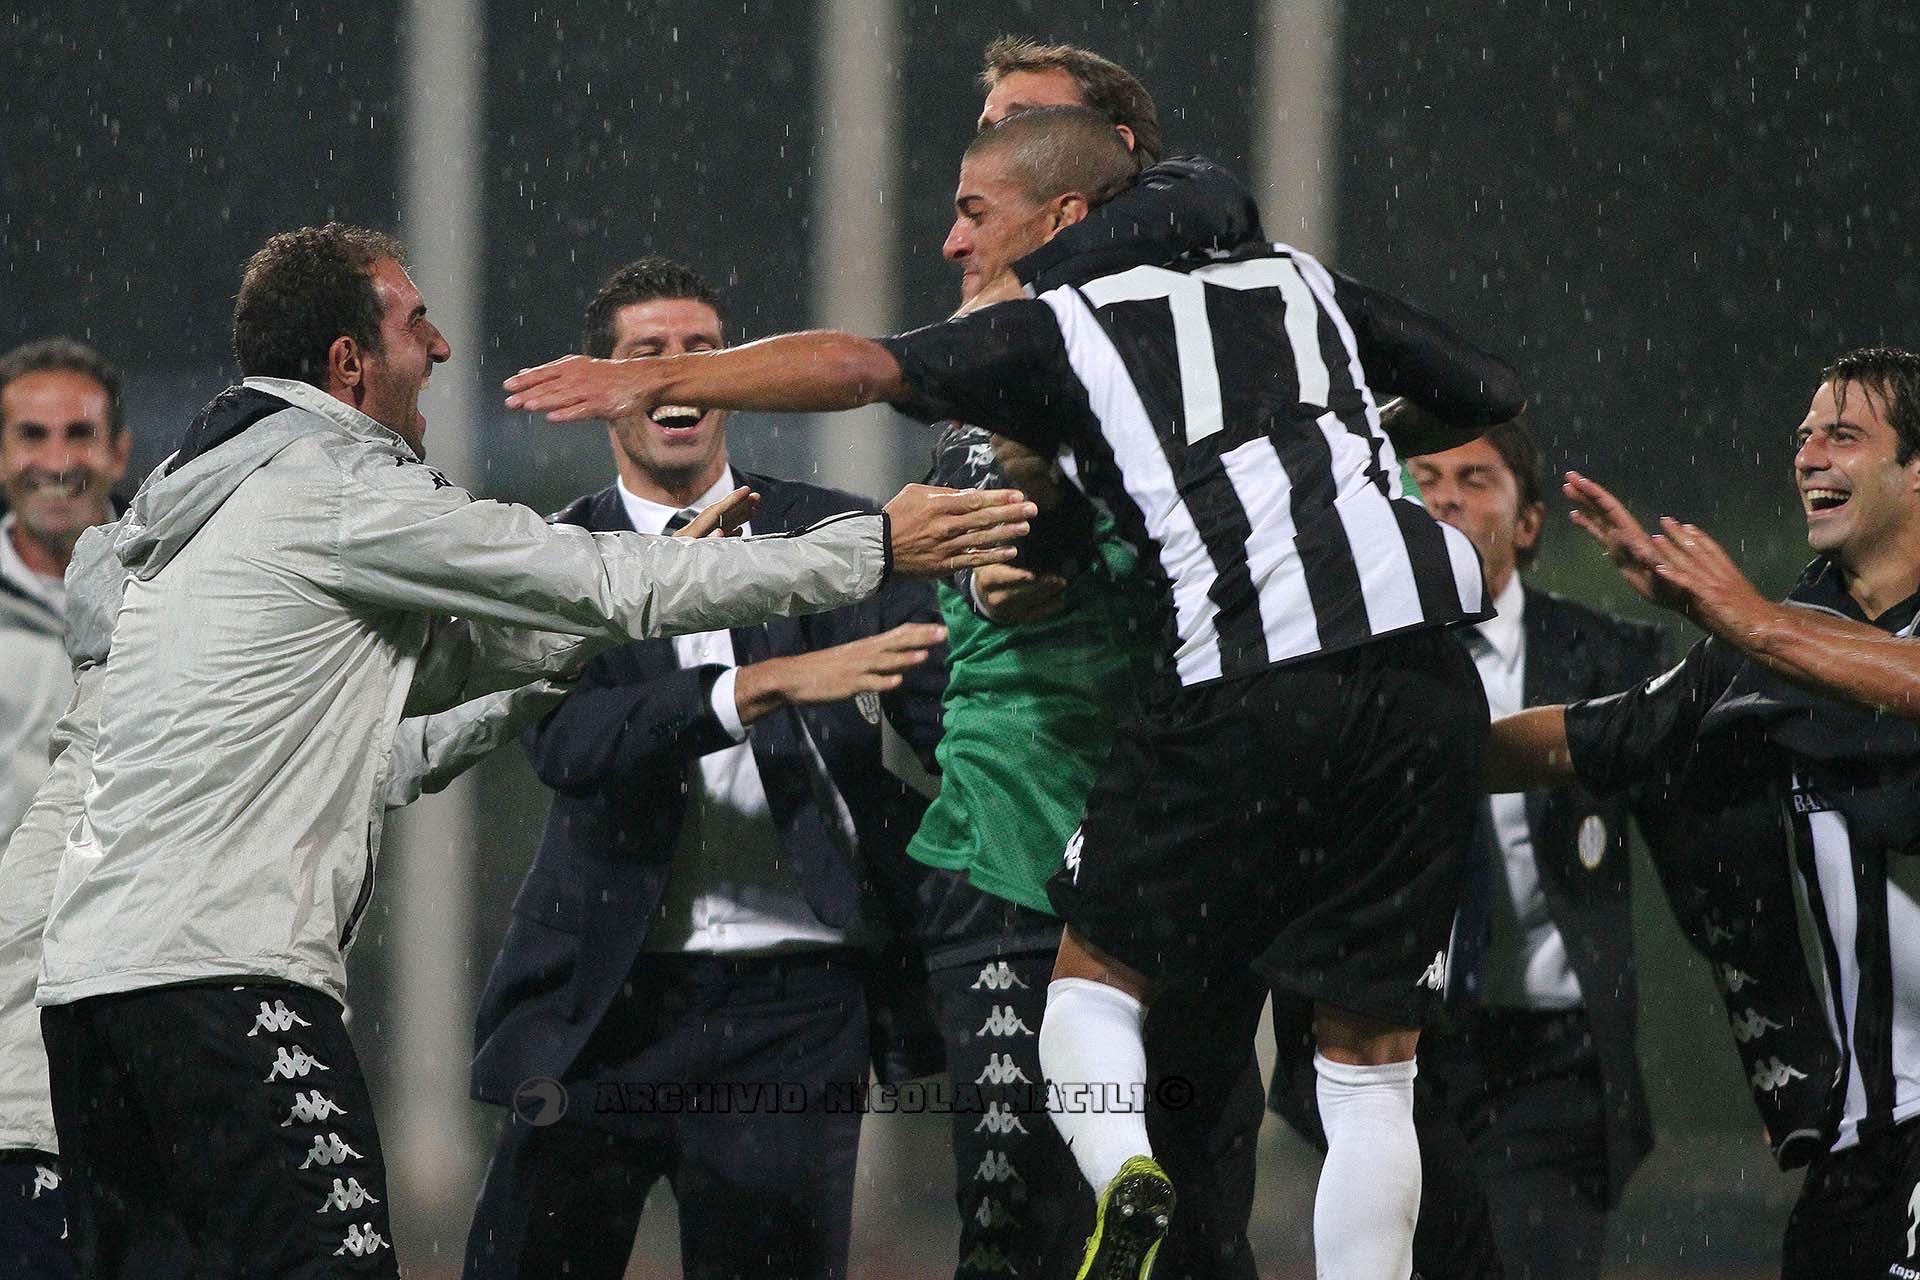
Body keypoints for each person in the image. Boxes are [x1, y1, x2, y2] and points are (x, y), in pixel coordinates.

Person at [503, 106, 1524, 1280]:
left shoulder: (1061, 329)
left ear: (1061, 216)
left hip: (1243, 679)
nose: (953, 239)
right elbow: (1485, 386)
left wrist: (659, 371)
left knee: (1092, 986)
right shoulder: (1293, 278)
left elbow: (860, 365)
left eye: (975, 210)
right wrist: (1317, 427)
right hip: (1425, 670)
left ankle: (1124, 1169)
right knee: (1370, 1068)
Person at [31, 222, 1033, 1278]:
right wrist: (874, 547)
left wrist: (593, 632)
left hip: (94, 987)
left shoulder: (199, 499)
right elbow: (604, 588)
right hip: (229, 977)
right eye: (416, 323)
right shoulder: (336, 486)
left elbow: (433, 695)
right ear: (349, 361)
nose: (442, 346)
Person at [464, 257, 949, 1280]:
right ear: (606, 386)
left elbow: (953, 725)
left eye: (701, 352)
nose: (676, 374)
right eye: (647, 354)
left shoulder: (842, 535)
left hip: (796, 1004)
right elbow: (569, 744)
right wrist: (751, 688)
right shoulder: (558, 555)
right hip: (606, 996)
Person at [0, 512, 573, 1279]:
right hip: (40, 1125)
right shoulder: (149, 756)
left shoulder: (189, 737)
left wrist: (565, 652)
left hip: (94, 1113)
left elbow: (385, 750)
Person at [1485, 347, 1920, 1279]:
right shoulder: (1768, 650)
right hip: (1863, 1146)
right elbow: (1598, 736)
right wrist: (1396, 746)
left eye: (1844, 435)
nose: (1808, 455)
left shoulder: (1771, 633)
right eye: (1804, 436)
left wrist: (1752, 621)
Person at [1272, 414, 1667, 1279]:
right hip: (1399, 1044)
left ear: (1529, 523)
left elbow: (1704, 852)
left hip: (1553, 1060)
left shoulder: (1611, 657)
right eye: (1424, 478)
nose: (1444, 497)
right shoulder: (1335, 659)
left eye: (1475, 478)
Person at [0, 337, 130, 1276]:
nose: (56, 459)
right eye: (31, 434)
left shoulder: (183, 587)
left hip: (142, 987)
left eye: (79, 434)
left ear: (119, 450)